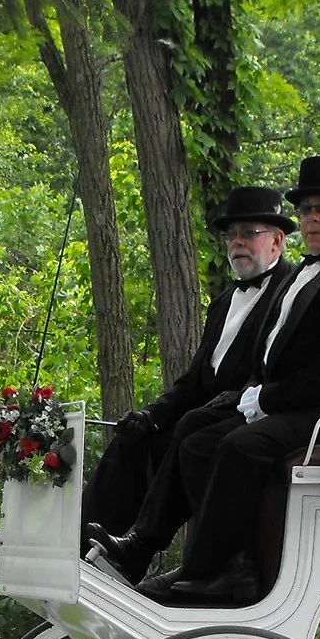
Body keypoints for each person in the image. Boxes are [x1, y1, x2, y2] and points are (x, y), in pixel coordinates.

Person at [104, 154, 320, 606]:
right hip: (299, 402)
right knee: (192, 432)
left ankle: (214, 571)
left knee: (239, 446)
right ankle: (162, 550)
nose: (313, 218)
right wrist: (247, 396)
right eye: (306, 209)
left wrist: (267, 397)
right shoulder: (307, 272)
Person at [82, 185, 294, 548]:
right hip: (201, 416)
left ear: (276, 242)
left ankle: (141, 548)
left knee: (190, 440)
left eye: (249, 234)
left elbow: (279, 373)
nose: (238, 243)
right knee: (132, 442)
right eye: (232, 235)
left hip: (246, 418)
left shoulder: (290, 292)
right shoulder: (224, 302)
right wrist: (151, 415)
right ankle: (86, 546)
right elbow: (195, 382)